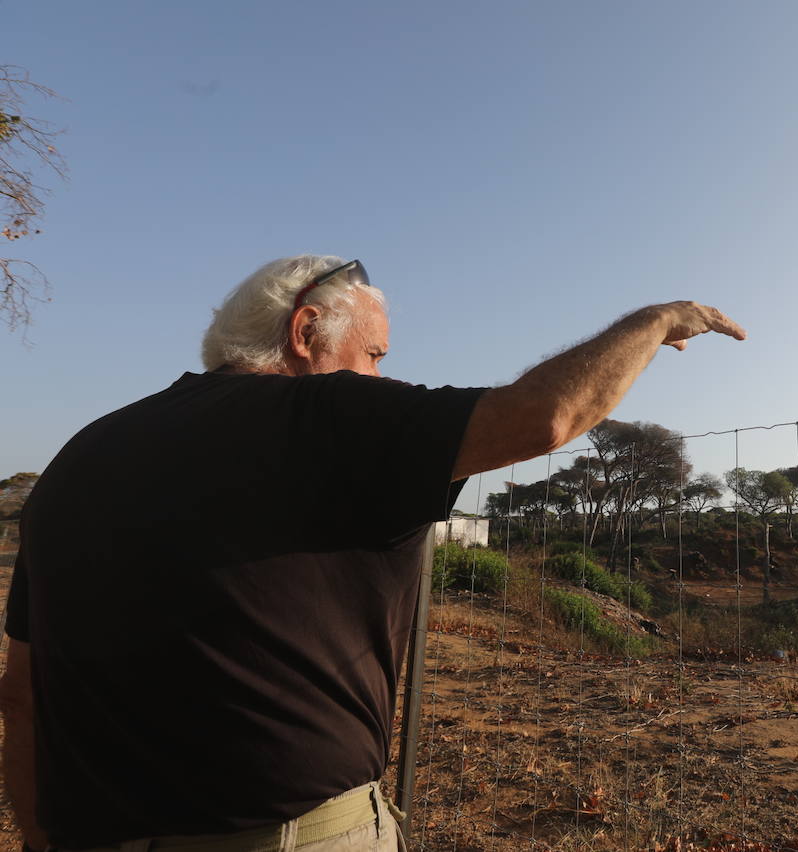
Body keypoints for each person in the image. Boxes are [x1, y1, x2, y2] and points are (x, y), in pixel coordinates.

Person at [0, 255, 745, 850]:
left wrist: (37, 838)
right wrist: (654, 321)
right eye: (375, 354)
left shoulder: (79, 459)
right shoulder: (326, 413)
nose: (383, 379)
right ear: (305, 332)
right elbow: (547, 416)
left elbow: (23, 694)